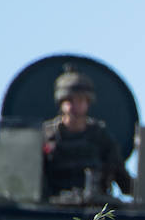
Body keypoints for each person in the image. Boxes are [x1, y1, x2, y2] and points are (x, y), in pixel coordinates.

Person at [41, 66, 130, 200]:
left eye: (81, 100)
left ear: (88, 103)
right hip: (53, 211)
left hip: (94, 209)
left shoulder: (101, 137)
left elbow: (124, 182)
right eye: (70, 101)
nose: (75, 106)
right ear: (61, 103)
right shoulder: (46, 136)